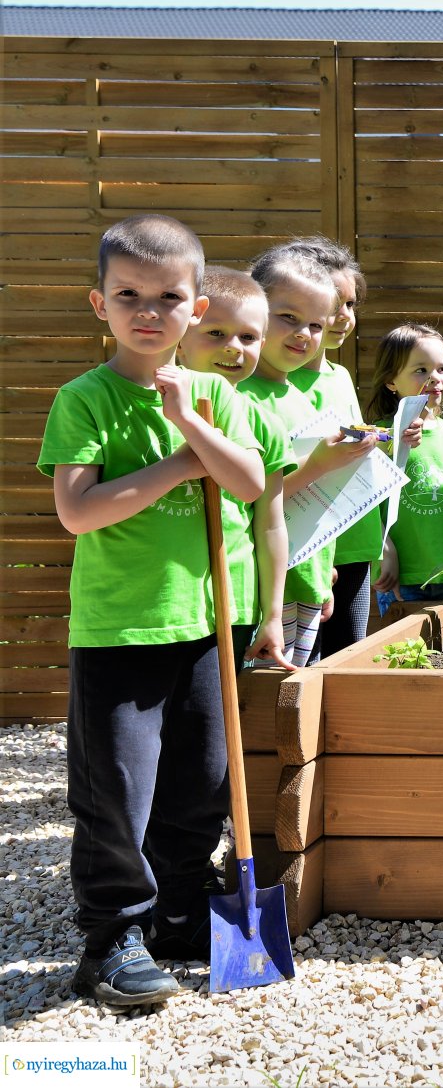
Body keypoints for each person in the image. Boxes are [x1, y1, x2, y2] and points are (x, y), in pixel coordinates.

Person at [41, 215, 266, 1004]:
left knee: (200, 782)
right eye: (127, 294)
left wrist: (193, 424)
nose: (148, 311)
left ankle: (176, 909)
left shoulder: (215, 394)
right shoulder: (84, 399)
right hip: (120, 628)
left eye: (168, 296)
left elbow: (247, 484)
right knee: (116, 790)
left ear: (196, 309)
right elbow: (78, 511)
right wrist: (177, 462)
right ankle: (111, 936)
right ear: (97, 304)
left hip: (206, 625)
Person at [243, 249, 378, 667]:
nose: (303, 333)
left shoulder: (297, 397)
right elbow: (250, 499)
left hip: (308, 583)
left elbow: (313, 507)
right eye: (288, 317)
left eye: (315, 325)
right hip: (263, 591)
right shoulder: (239, 397)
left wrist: (323, 574)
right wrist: (320, 464)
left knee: (303, 695)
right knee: (266, 704)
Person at [175, 267, 291, 673]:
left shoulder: (265, 424)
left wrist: (273, 615)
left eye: (248, 337)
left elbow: (271, 524)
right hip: (166, 598)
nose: (234, 348)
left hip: (233, 602)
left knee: (214, 726)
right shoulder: (158, 408)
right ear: (180, 339)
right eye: (216, 333)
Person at [279, 239, 380, 654]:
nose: (344, 316)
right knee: (305, 667)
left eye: (352, 304)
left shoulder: (340, 376)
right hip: (307, 548)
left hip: (356, 538)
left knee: (350, 655)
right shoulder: (275, 381)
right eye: (335, 303)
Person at [368, 324, 443, 603]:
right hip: (399, 577)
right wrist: (385, 549)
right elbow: (363, 504)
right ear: (391, 381)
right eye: (421, 370)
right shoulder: (378, 437)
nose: (434, 378)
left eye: (441, 369)